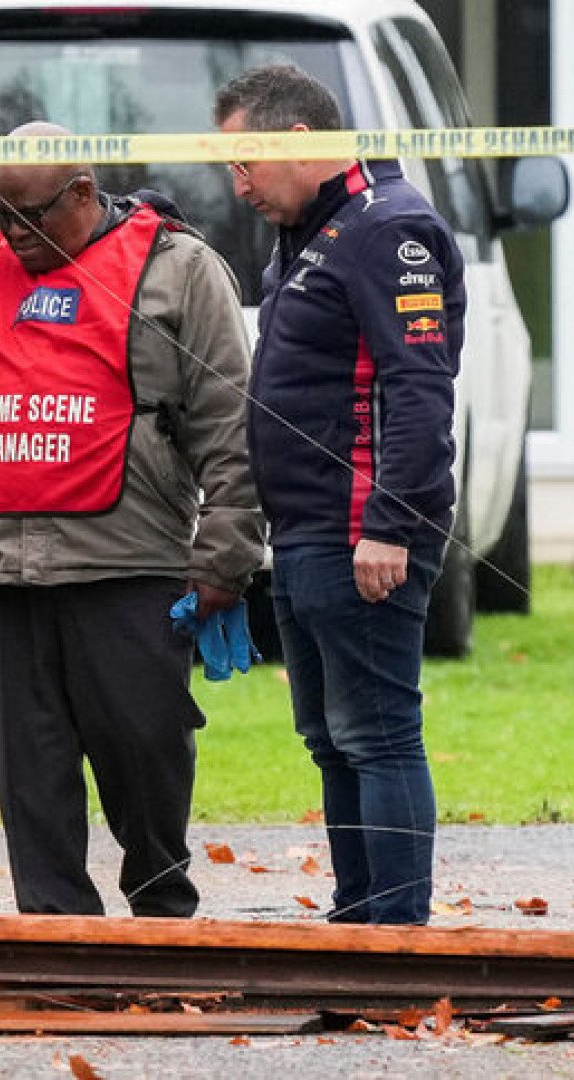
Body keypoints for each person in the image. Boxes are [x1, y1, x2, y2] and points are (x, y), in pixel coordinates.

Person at [0, 121, 263, 918]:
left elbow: (230, 423)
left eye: (32, 215)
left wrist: (225, 555)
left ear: (82, 192)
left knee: (147, 755)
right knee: (28, 777)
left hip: (126, 562)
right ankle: (54, 934)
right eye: (2, 215)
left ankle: (162, 910)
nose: (15, 234)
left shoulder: (178, 270)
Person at [213, 66, 464, 924]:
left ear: (297, 143)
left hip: (364, 531)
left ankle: (395, 934)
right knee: (328, 738)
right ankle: (358, 919)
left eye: (245, 162)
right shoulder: (313, 228)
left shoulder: (387, 231)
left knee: (377, 733)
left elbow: (421, 389)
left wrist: (390, 525)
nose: (235, 184)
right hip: (307, 529)